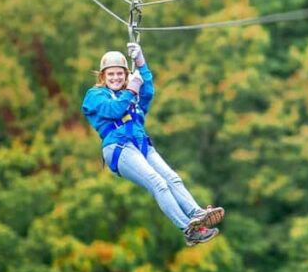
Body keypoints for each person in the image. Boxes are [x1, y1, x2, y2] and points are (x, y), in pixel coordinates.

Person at [82, 42, 224, 246]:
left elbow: (147, 91)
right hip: (118, 149)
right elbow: (114, 110)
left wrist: (140, 61)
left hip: (141, 146)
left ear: (125, 74)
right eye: (111, 74)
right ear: (103, 76)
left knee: (172, 179)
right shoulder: (95, 96)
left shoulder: (132, 94)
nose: (115, 78)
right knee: (157, 182)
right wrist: (131, 89)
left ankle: (196, 214)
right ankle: (187, 229)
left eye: (120, 74)